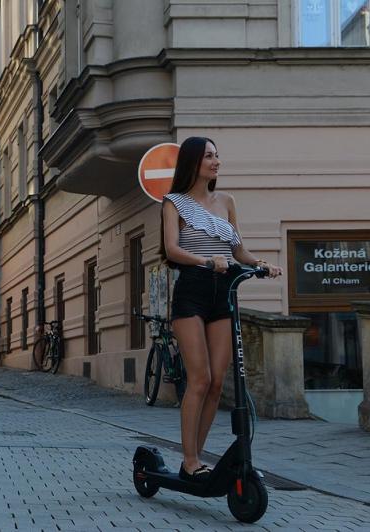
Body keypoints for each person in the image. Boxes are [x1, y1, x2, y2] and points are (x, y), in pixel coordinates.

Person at [160, 136, 281, 482]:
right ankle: (189, 460)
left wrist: (260, 264)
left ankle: (194, 459)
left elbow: (237, 251)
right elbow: (171, 250)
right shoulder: (174, 203)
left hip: (224, 292)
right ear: (194, 162)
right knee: (199, 379)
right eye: (209, 156)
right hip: (192, 292)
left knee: (217, 383)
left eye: (217, 155)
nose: (217, 161)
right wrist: (205, 261)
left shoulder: (227, 201)